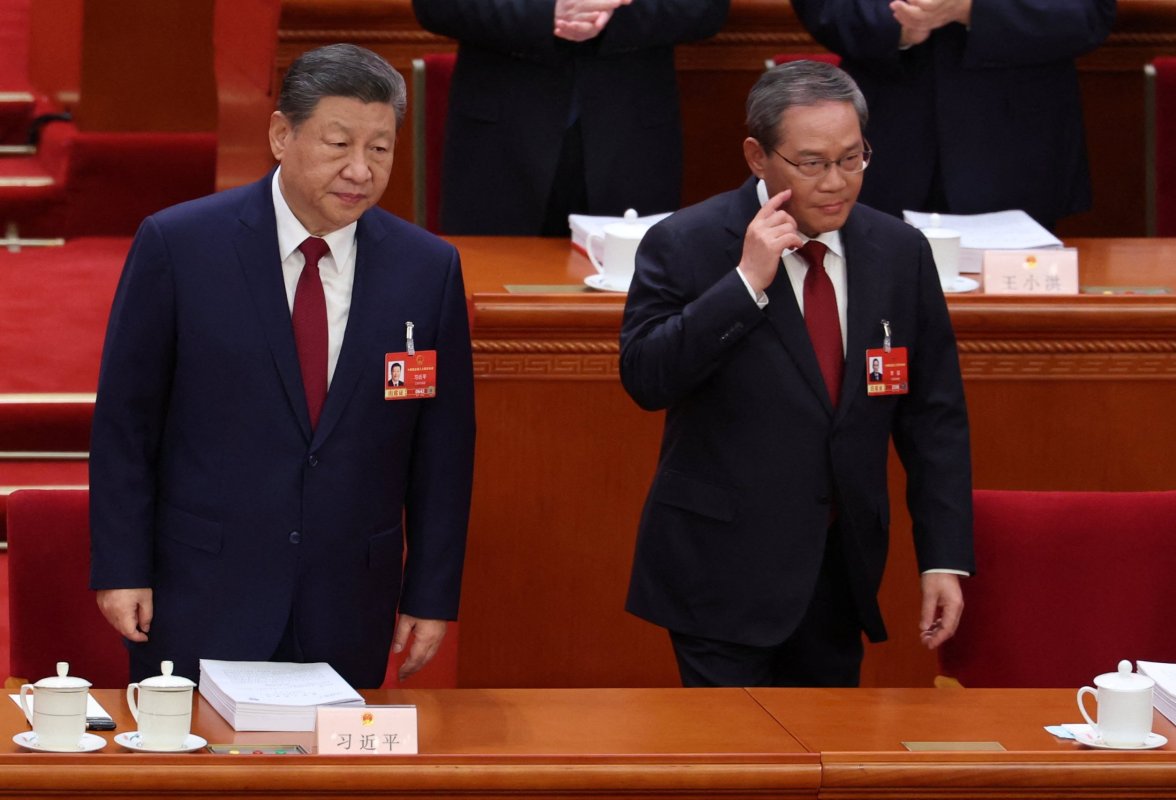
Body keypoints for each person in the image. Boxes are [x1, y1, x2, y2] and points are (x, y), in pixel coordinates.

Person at [89, 44, 476, 688]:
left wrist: (430, 594)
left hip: (349, 597)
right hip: (203, 589)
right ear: (280, 134)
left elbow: (443, 449)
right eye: (338, 144)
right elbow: (127, 424)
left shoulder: (426, 269)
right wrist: (123, 566)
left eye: (379, 149)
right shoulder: (180, 246)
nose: (359, 169)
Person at [620, 60, 974, 687]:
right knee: (738, 776)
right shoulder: (687, 242)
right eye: (811, 163)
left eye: (852, 158)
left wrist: (942, 558)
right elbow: (647, 378)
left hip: (839, 577)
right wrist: (745, 282)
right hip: (719, 575)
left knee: (824, 770)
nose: (836, 183)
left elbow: (934, 419)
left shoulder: (899, 253)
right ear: (758, 156)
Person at [791, 0, 1117, 230]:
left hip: (1016, 150)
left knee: (1011, 318)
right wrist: (897, 24)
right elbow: (824, 6)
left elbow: (1087, 13)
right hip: (885, 144)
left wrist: (972, 8)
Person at [410, 0, 729, 236]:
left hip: (630, 133)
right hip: (500, 141)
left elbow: (705, 7)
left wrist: (602, 15)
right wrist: (544, 12)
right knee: (491, 299)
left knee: (630, 306)